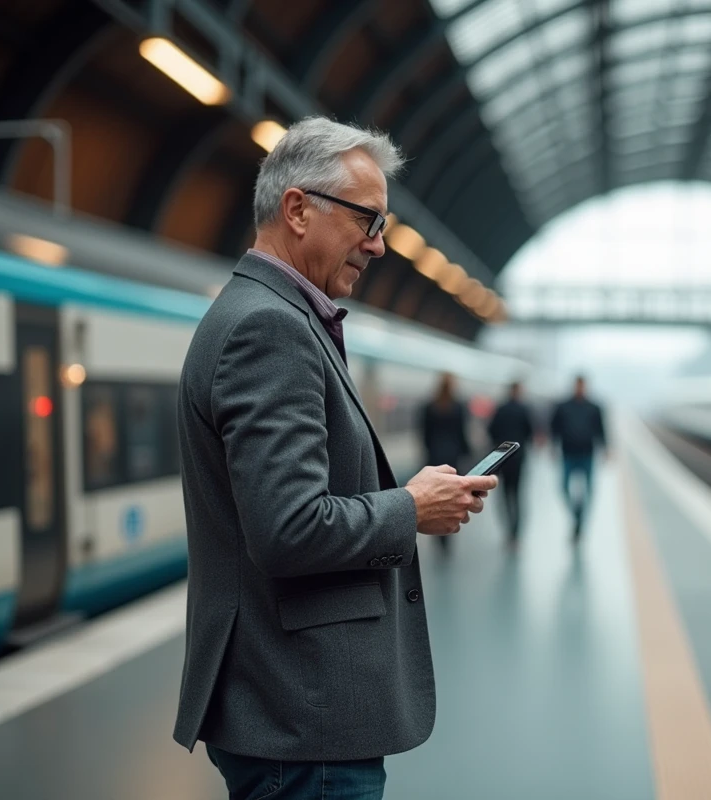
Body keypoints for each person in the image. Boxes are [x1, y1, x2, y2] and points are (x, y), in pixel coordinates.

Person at [173, 116, 498, 800]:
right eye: (368, 221)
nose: (379, 247)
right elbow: (288, 528)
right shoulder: (270, 329)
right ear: (297, 210)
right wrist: (410, 508)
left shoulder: (265, 313)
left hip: (292, 712)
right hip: (303, 716)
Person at [549, 375, 607, 541]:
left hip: (587, 454)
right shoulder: (563, 406)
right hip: (568, 453)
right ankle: (576, 514)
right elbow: (555, 427)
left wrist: (606, 449)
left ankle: (580, 522)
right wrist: (552, 447)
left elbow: (601, 429)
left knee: (588, 492)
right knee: (564, 488)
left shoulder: (594, 407)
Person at [419, 373, 471, 551]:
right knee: (451, 494)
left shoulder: (429, 406)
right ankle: (448, 533)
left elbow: (424, 435)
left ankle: (438, 536)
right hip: (453, 457)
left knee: (434, 494)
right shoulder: (458, 407)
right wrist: (467, 453)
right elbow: (462, 434)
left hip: (434, 456)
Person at [487, 381, 534, 547]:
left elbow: (491, 430)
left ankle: (508, 530)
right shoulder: (524, 409)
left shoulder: (501, 409)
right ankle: (516, 531)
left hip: (502, 458)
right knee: (518, 494)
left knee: (505, 495)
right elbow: (530, 432)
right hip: (519, 458)